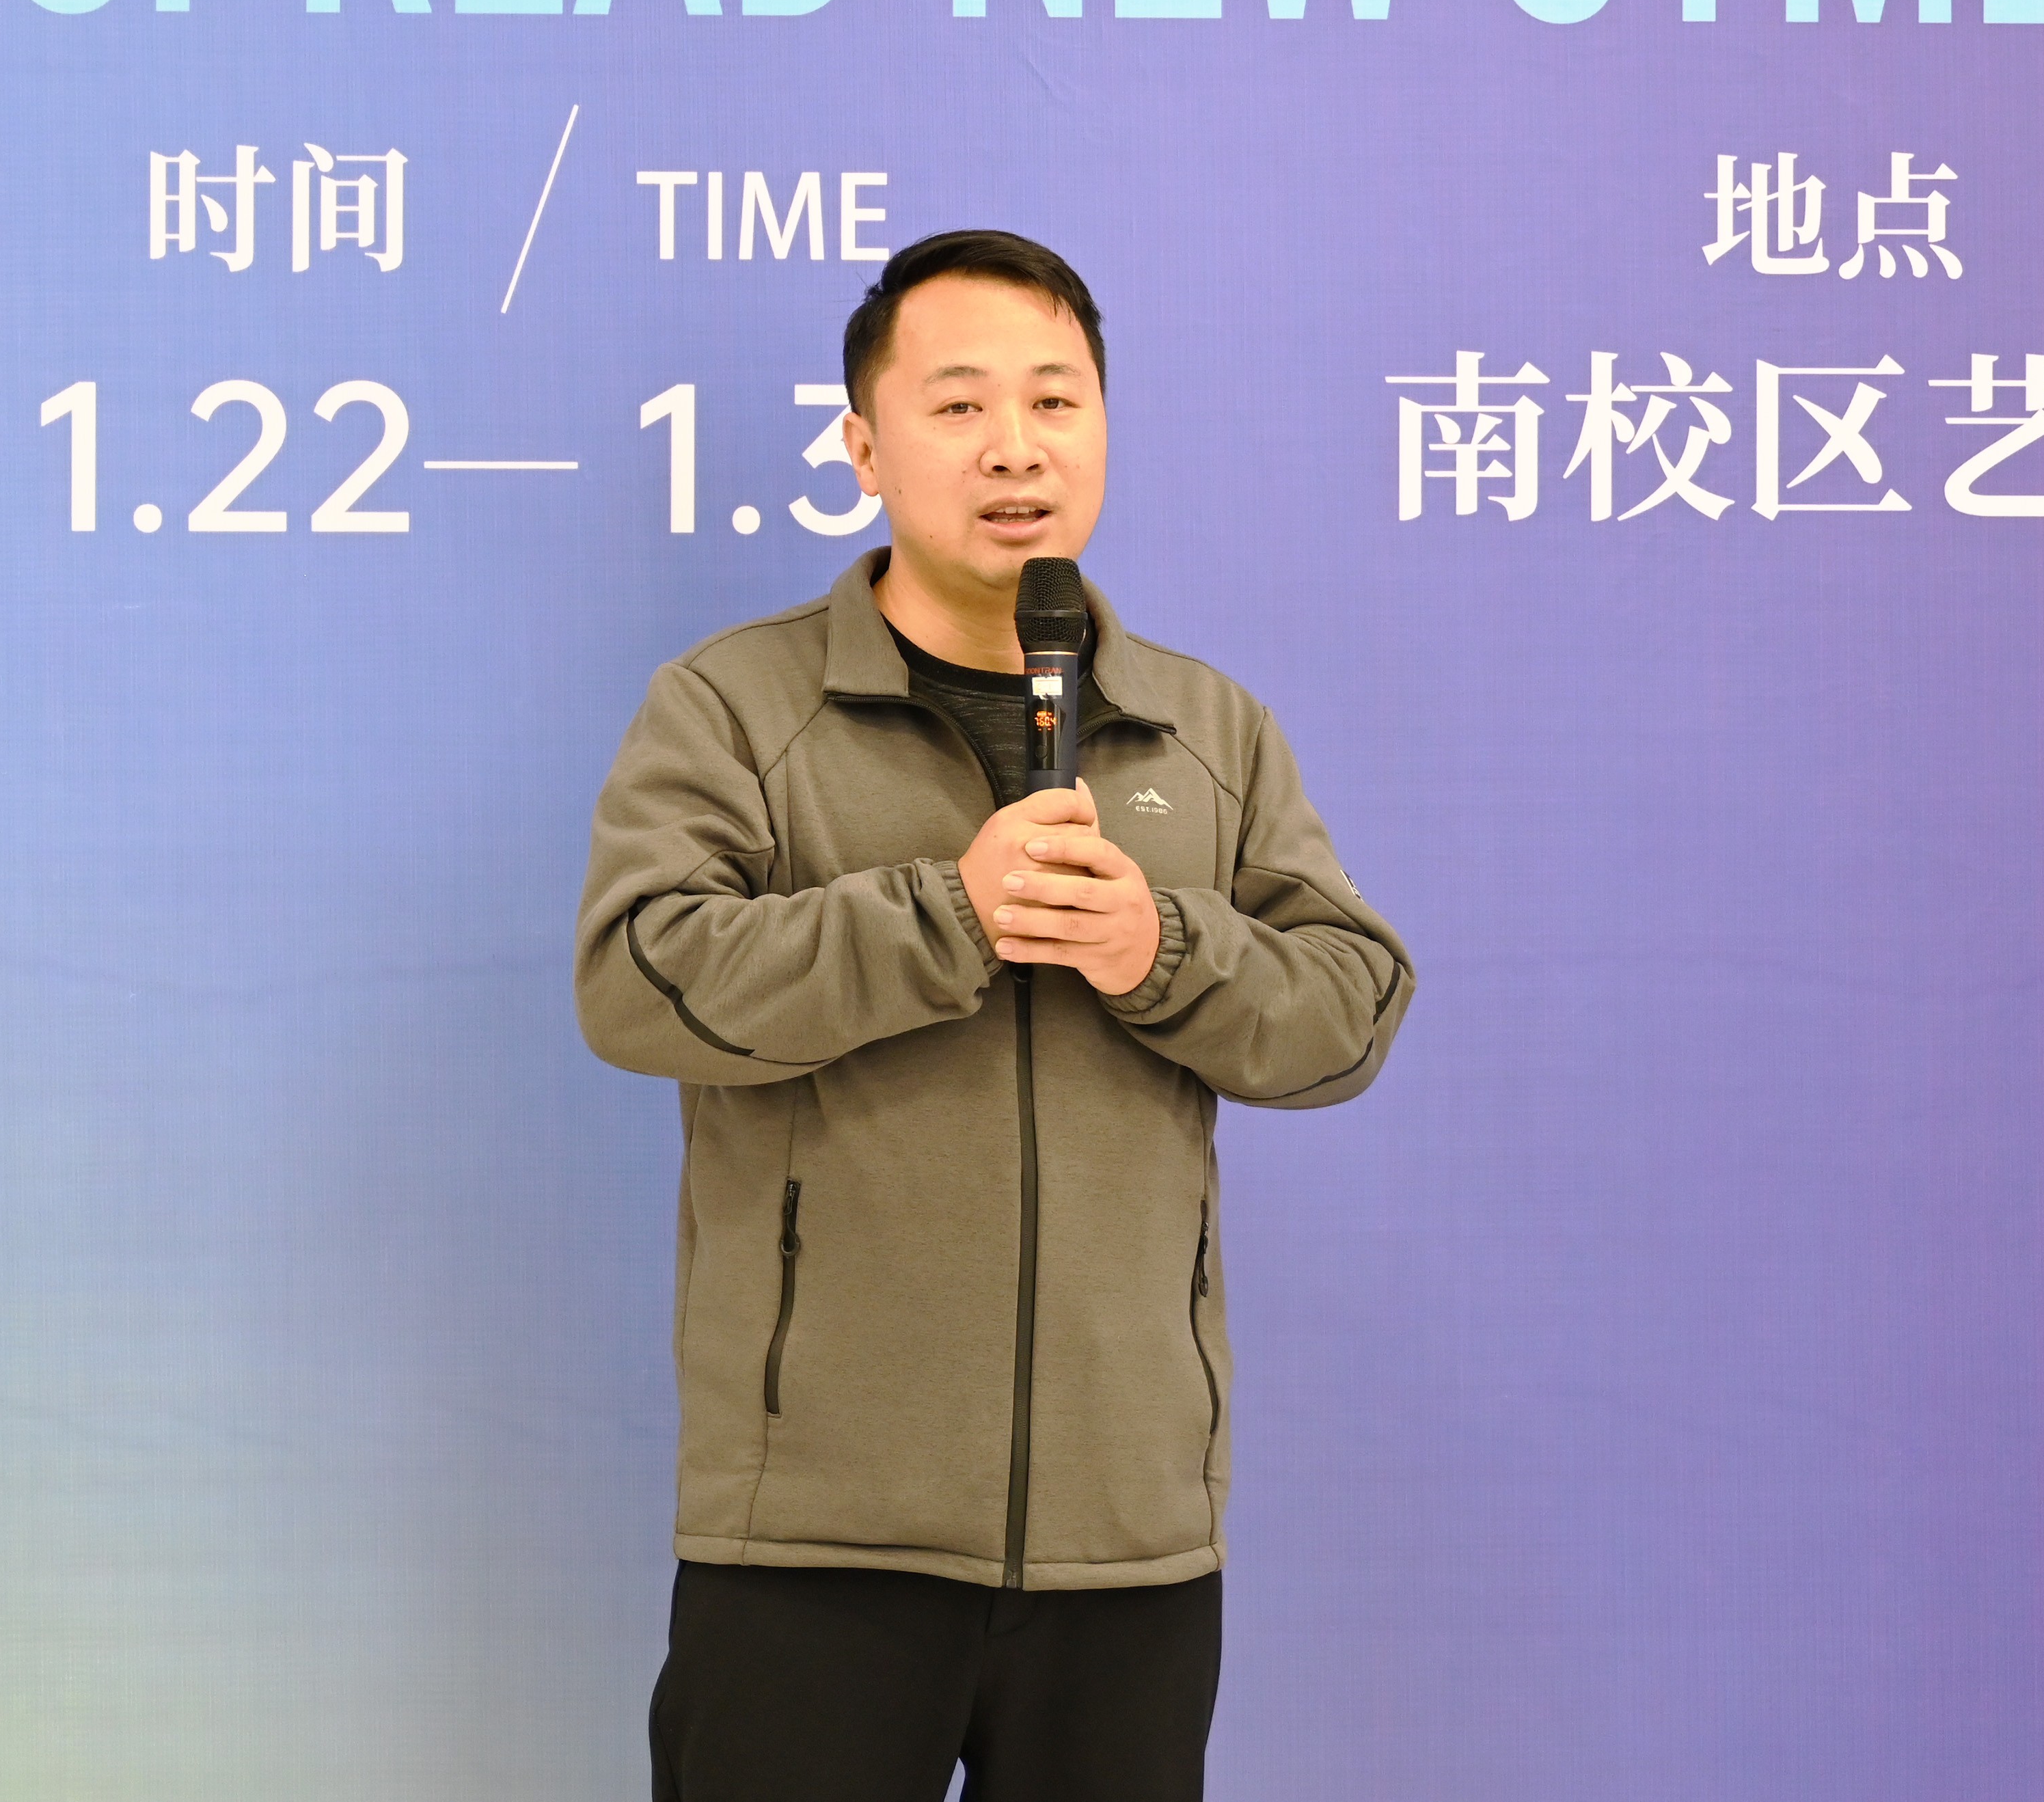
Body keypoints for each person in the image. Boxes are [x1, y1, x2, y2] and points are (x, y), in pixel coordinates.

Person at [575, 229, 1415, 1802]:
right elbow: (638, 975)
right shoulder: (735, 707)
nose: (1015, 447)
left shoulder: (1205, 727)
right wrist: (942, 914)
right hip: (815, 1536)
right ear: (863, 444)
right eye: (958, 404)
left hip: (1129, 1539)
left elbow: (1348, 1012)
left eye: (1054, 399)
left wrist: (1158, 944)